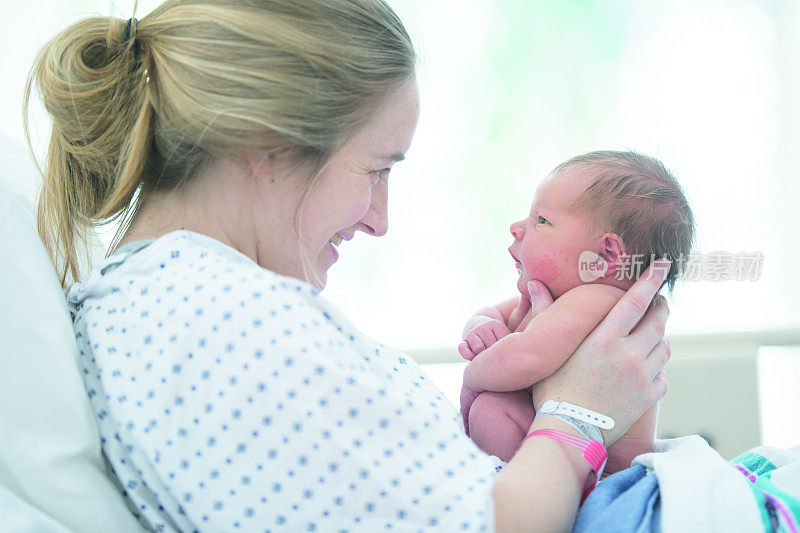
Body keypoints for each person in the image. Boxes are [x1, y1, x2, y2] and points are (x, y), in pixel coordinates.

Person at [25, 0, 671, 530]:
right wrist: (579, 413)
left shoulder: (174, 306)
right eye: (377, 169)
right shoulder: (225, 328)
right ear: (269, 142)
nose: (379, 219)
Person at [458, 151, 694, 471]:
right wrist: (481, 325)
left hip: (604, 478)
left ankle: (513, 498)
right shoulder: (557, 295)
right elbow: (492, 313)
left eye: (541, 220)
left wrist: (473, 377)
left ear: (605, 256)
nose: (517, 227)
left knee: (488, 409)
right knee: (494, 407)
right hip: (563, 452)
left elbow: (526, 358)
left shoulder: (598, 299)